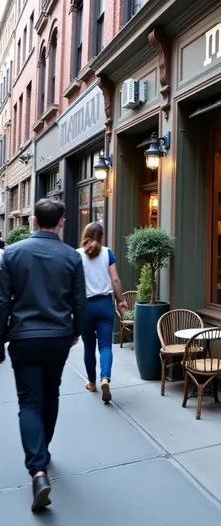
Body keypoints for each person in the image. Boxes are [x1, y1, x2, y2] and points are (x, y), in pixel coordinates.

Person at [0, 199, 86, 511]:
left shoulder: (12, 253)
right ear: (61, 222)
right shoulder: (71, 256)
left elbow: (2, 302)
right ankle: (43, 451)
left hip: (23, 337)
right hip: (58, 337)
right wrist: (76, 331)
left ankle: (38, 469)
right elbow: (79, 301)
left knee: (29, 403)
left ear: (34, 221)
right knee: (51, 394)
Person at [77, 222, 127, 404]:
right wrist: (121, 300)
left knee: (89, 347)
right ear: (102, 236)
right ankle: (105, 378)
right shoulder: (107, 253)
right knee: (105, 345)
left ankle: (91, 382)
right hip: (105, 304)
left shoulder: (77, 254)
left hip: (85, 306)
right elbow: (115, 279)